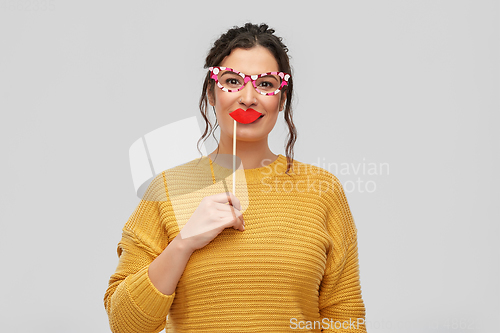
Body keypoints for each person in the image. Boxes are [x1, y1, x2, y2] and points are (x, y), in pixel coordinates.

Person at [104, 23, 367, 332]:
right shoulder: (167, 189)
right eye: (232, 81)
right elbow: (125, 324)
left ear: (282, 100)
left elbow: (344, 316)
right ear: (211, 94)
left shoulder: (322, 190)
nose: (248, 98)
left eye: (266, 85)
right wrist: (183, 243)